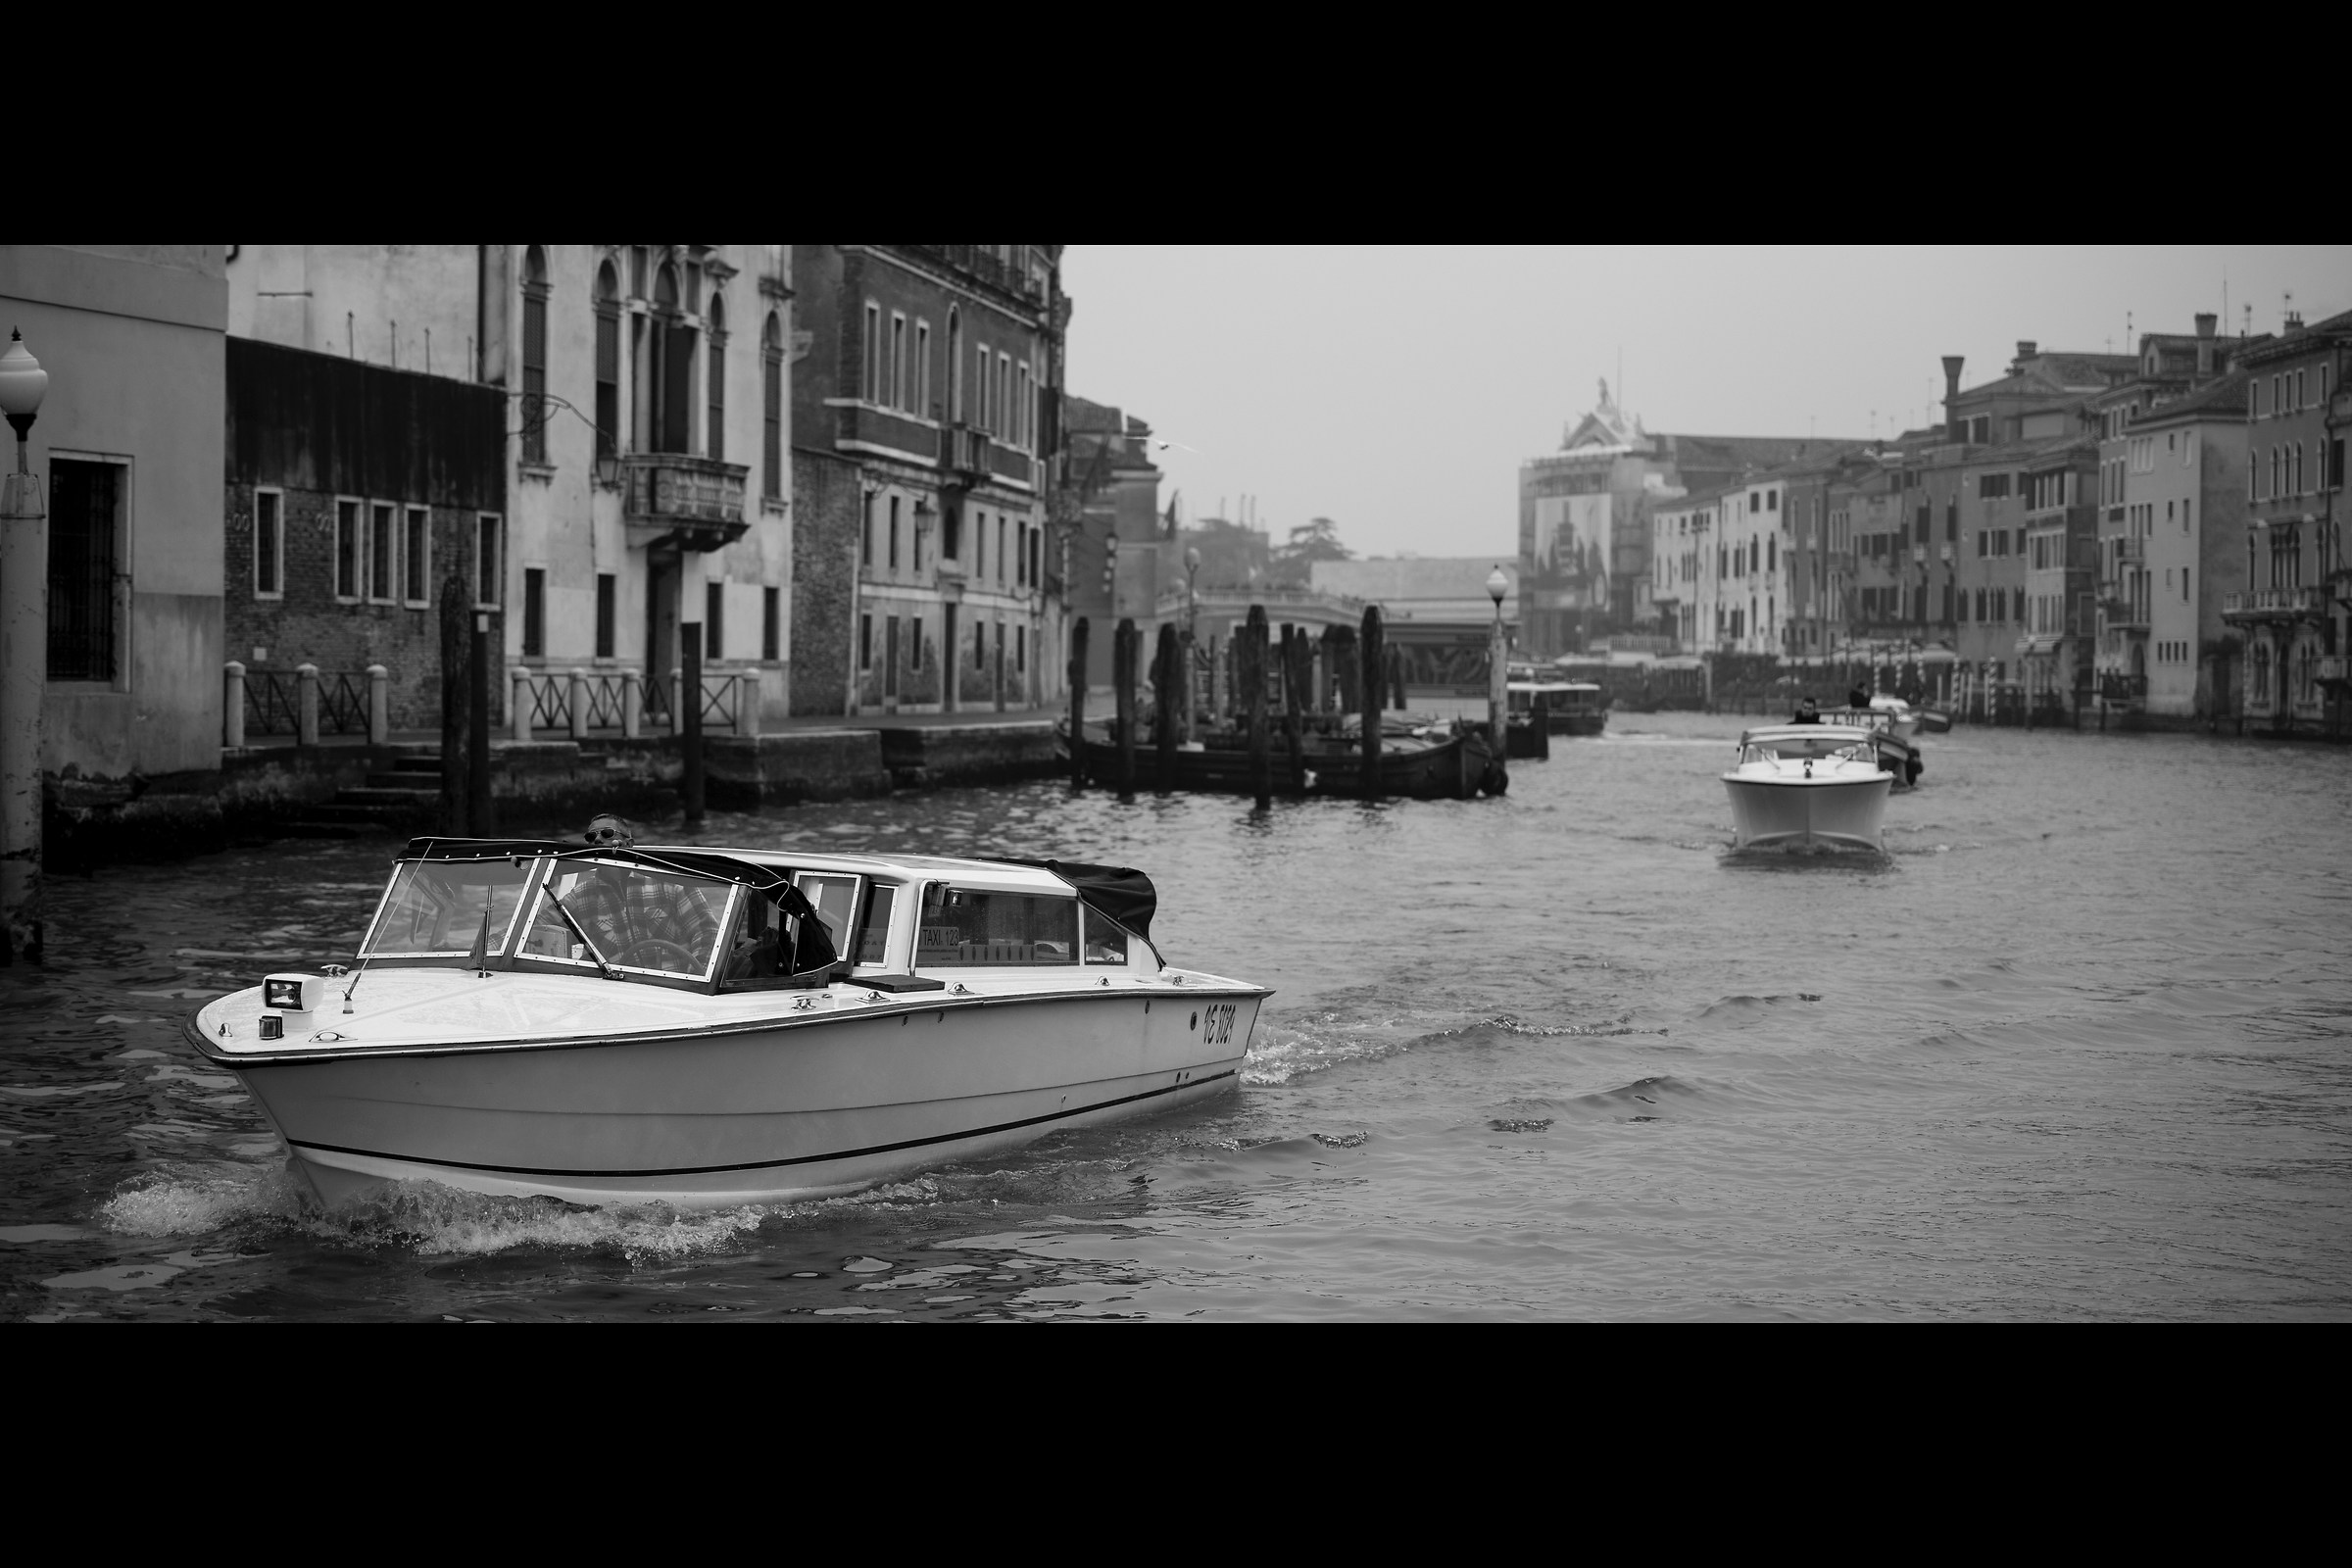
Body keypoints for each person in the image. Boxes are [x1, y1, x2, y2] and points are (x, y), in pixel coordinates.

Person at [567, 813, 720, 972]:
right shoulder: (580, 896)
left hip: (674, 984)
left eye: (607, 833)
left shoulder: (669, 881)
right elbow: (549, 926)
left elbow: (707, 932)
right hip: (615, 985)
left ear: (629, 844)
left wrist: (694, 979)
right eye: (591, 837)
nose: (597, 840)